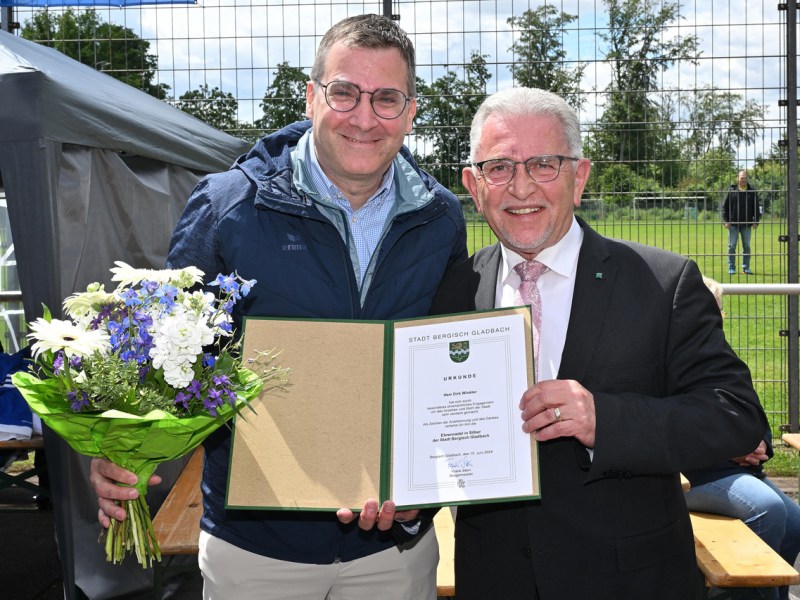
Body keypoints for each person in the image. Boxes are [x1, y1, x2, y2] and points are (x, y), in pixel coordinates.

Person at [89, 14, 467, 600]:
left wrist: (424, 500)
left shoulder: (440, 218)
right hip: (257, 547)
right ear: (313, 96)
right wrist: (121, 448)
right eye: (345, 92)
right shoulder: (226, 206)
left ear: (411, 111)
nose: (364, 117)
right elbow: (168, 352)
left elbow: (449, 372)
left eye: (387, 98)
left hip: (393, 547)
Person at [427, 87, 767, 599]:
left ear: (579, 177)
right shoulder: (450, 291)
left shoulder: (663, 282)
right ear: (474, 186)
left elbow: (736, 417)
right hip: (493, 579)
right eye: (499, 168)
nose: (520, 187)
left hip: (630, 582)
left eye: (543, 164)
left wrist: (603, 420)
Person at [684, 278, 800, 600]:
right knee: (768, 510)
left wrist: (760, 444)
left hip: (737, 470)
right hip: (697, 476)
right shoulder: (673, 362)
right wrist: (731, 448)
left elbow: (754, 415)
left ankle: (774, 595)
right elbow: (677, 431)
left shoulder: (723, 354)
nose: (715, 316)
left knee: (796, 524)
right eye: (707, 308)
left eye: (718, 308)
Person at [723, 169, 760, 275]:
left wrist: (756, 221)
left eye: (745, 178)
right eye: (741, 178)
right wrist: (726, 221)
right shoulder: (732, 190)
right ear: (738, 178)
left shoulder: (752, 191)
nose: (743, 180)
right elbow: (725, 207)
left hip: (747, 224)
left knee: (747, 246)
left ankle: (746, 268)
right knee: (731, 246)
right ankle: (731, 268)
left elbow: (756, 207)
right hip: (733, 224)